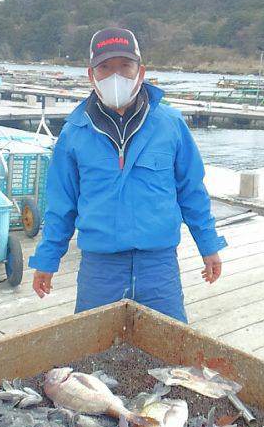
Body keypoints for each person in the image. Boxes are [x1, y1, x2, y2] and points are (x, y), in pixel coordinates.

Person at [29, 27, 227, 322]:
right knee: (91, 354)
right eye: (105, 68)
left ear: (141, 71)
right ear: (91, 75)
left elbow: (191, 191)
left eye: (125, 66)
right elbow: (61, 204)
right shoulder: (74, 132)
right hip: (100, 267)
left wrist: (208, 245)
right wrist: (47, 258)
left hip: (158, 265)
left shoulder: (170, 124)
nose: (115, 75)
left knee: (169, 349)